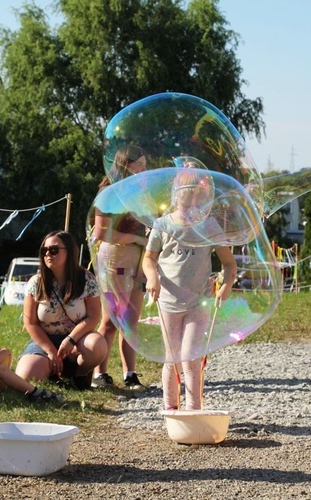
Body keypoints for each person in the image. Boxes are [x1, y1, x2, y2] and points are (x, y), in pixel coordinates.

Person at [142, 167, 237, 411]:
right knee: (172, 358)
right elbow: (149, 258)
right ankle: (171, 410)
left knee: (191, 358)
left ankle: (194, 410)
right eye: (188, 193)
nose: (192, 199)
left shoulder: (209, 225)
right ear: (176, 194)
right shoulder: (163, 225)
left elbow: (228, 263)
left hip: (199, 302)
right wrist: (152, 278)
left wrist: (226, 284)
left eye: (198, 193)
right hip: (169, 302)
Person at [14, 231, 107, 390]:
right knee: (26, 375)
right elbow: (30, 323)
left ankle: (78, 374)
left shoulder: (86, 279)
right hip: (45, 339)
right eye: (45, 250)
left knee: (97, 345)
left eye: (54, 250)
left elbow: (93, 316)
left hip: (78, 340)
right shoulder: (36, 282)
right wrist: (50, 351)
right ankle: (52, 369)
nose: (48, 254)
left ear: (70, 252)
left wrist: (71, 339)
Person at [91, 145, 148, 390]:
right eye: (140, 166)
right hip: (115, 258)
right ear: (126, 165)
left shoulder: (142, 193)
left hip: (138, 258)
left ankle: (130, 374)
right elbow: (102, 232)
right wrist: (137, 239)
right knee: (111, 320)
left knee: (131, 320)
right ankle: (99, 373)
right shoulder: (109, 193)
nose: (144, 171)